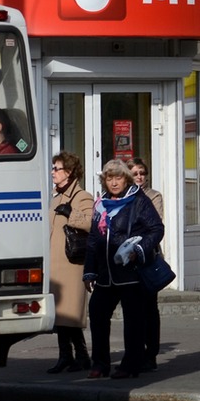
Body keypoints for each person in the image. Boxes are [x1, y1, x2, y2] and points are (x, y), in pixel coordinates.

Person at [82, 159, 164, 379]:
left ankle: (131, 365)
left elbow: (156, 229)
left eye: (118, 177)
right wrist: (89, 270)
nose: (114, 182)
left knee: (134, 321)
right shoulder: (100, 203)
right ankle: (100, 364)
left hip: (131, 272)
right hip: (106, 274)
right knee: (98, 314)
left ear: (126, 179)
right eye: (109, 178)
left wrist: (138, 249)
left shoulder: (138, 201)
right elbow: (93, 239)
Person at [47, 151, 94, 373]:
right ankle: (67, 356)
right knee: (61, 314)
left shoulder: (82, 196)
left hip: (72, 263)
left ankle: (81, 356)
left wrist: (71, 213)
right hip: (55, 264)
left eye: (57, 169)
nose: (53, 173)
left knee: (71, 314)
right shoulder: (56, 197)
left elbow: (91, 224)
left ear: (70, 172)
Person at [129, 157, 165, 371]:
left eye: (142, 173)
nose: (140, 177)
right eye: (135, 174)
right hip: (128, 260)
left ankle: (151, 353)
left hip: (147, 257)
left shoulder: (153, 196)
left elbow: (156, 225)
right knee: (134, 308)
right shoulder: (124, 197)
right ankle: (135, 351)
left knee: (150, 307)